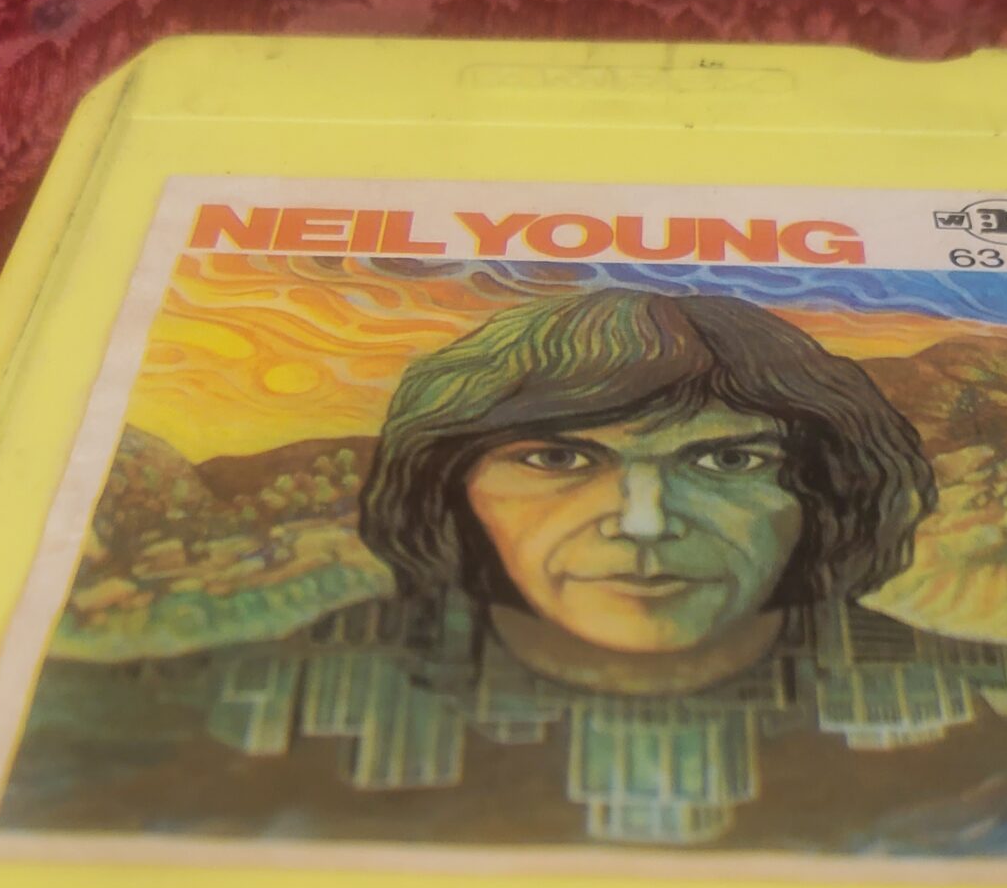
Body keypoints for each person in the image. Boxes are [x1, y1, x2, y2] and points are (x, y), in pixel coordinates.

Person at [358, 288, 936, 696]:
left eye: (729, 460)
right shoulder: (338, 665)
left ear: (829, 493)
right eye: (558, 459)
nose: (645, 524)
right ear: (449, 488)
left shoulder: (965, 695)